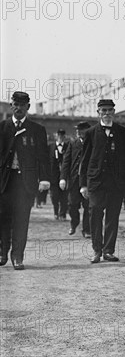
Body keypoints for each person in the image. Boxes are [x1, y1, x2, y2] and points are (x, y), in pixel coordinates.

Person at [79, 99, 125, 264]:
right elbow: (84, 160)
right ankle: (97, 250)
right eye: (103, 111)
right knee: (95, 215)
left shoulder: (122, 132)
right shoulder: (90, 133)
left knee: (113, 216)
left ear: (114, 112)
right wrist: (83, 184)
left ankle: (108, 251)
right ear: (98, 112)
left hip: (116, 182)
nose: (107, 114)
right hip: (96, 182)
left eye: (109, 110)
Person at [0, 91, 51, 270]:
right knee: (2, 218)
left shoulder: (37, 130)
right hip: (4, 182)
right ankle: (2, 251)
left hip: (25, 182)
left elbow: (44, 157)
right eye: (16, 104)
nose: (19, 108)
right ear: (11, 106)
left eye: (23, 105)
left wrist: (44, 178)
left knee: (21, 220)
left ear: (28, 107)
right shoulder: (2, 127)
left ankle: (17, 256)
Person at [60, 121, 91, 237]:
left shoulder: (92, 143)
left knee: (88, 206)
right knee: (72, 204)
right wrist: (63, 178)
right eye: (77, 130)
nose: (78, 132)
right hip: (74, 180)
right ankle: (74, 223)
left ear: (87, 131)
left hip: (88, 180)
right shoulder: (73, 143)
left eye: (81, 130)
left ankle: (87, 230)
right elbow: (66, 162)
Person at [49, 129, 69, 221]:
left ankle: (63, 214)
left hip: (65, 176)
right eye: (59, 135)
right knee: (54, 196)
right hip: (53, 176)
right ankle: (56, 212)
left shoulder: (68, 146)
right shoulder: (50, 147)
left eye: (62, 135)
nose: (60, 137)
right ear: (56, 136)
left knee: (64, 197)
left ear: (64, 136)